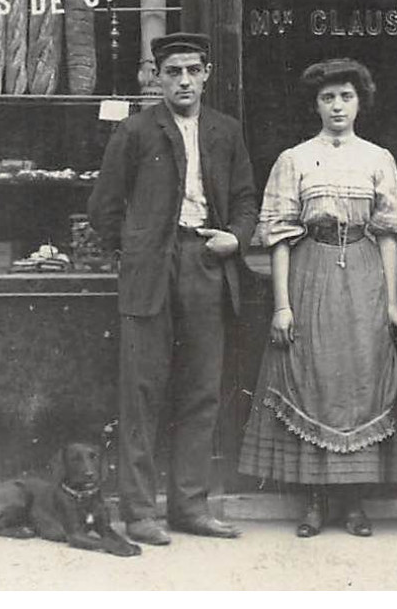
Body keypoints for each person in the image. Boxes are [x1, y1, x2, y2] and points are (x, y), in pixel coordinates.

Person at [88, 32, 259, 544]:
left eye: (192, 70)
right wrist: (138, 249)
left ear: (206, 74)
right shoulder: (135, 131)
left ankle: (190, 507)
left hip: (207, 264)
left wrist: (237, 237)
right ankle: (139, 511)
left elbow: (248, 200)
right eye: (172, 71)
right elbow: (104, 209)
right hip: (150, 272)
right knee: (141, 393)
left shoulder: (226, 132)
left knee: (201, 392)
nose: (183, 80)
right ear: (156, 77)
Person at [237, 58, 397, 538]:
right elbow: (277, 236)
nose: (338, 106)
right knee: (313, 377)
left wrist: (392, 301)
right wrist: (282, 305)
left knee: (359, 377)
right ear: (315, 104)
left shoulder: (378, 158)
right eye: (328, 98)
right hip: (310, 270)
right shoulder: (294, 159)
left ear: (360, 103)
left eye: (346, 97)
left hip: (363, 271)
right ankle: (313, 501)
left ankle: (353, 501)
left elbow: (390, 235)